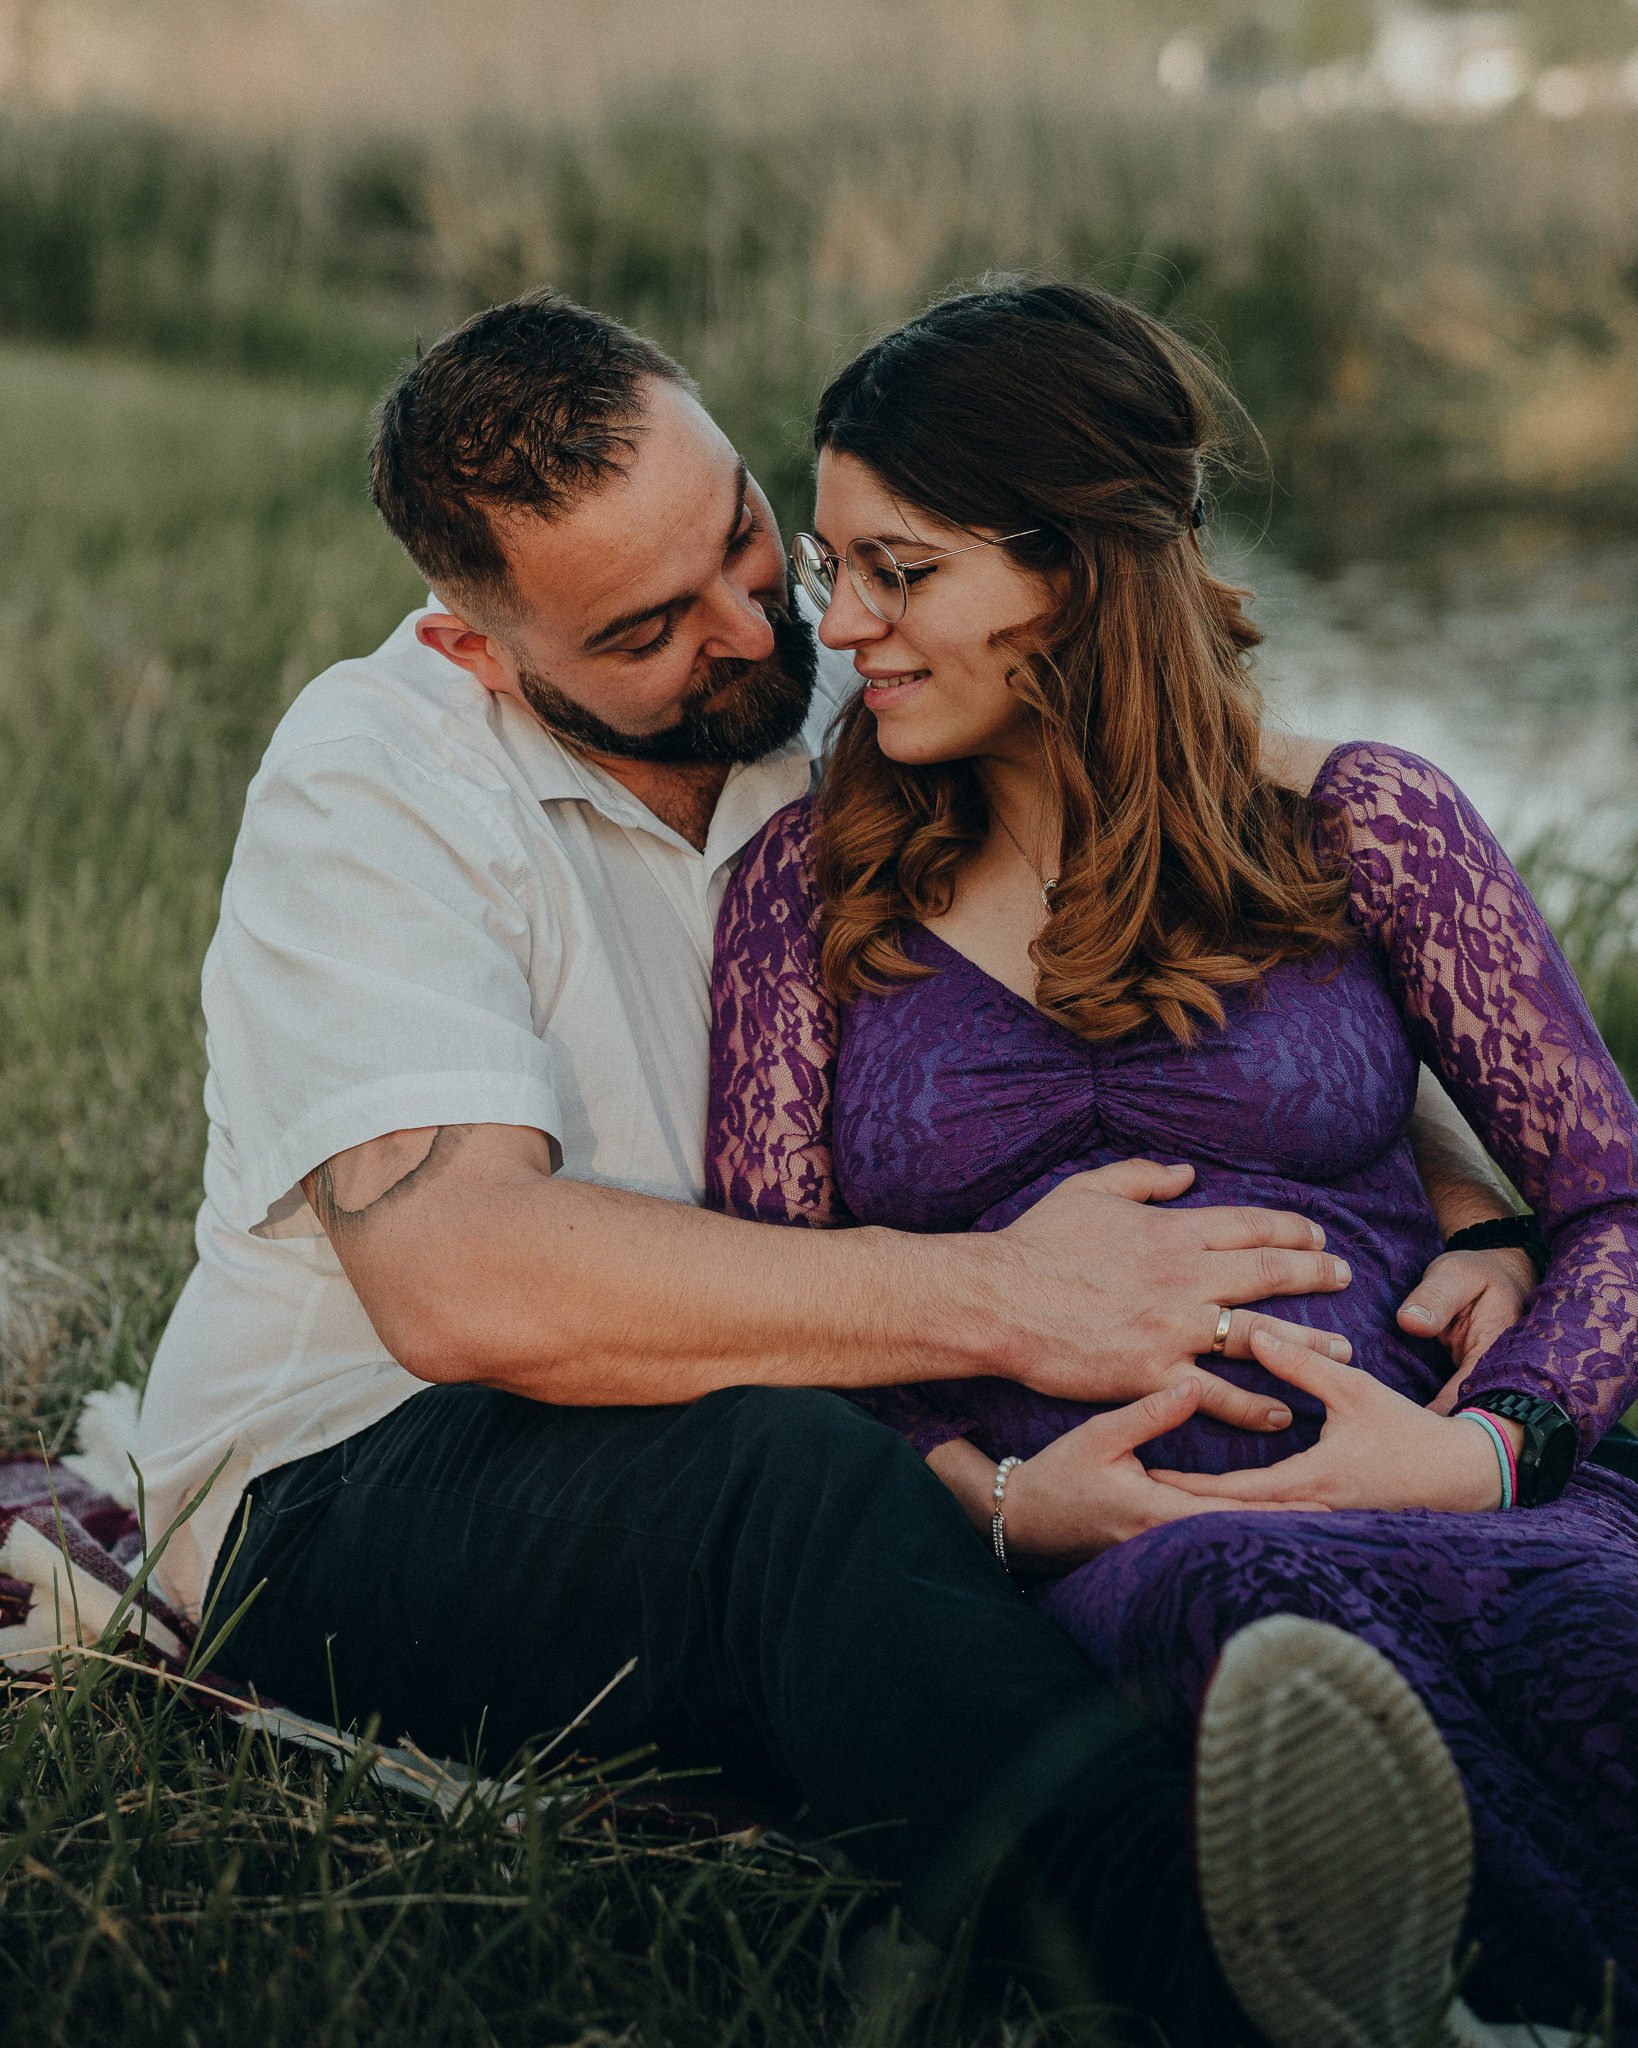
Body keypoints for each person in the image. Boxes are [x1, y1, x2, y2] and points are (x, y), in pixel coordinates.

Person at [135, 290, 1531, 2048]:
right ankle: (1206, 1964)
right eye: (651, 627)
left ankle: (1418, 1856)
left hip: (785, 1423)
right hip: (343, 1481)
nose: (747, 624)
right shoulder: (368, 786)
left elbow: (1219, 902)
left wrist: (1466, 1192)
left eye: (737, 535)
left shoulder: (840, 668)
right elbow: (460, 1278)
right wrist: (1004, 1302)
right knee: (787, 1486)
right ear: (477, 651)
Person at [704, 279, 1638, 2039]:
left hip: (1446, 1490)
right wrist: (990, 1498)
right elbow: (779, 1319)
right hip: (1114, 1557)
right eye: (838, 571)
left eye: (900, 571)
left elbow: (1612, 1206)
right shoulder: (808, 895)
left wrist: (1479, 1452)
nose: (845, 630)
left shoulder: (1364, 826)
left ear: (1073, 570)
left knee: (1598, 1642)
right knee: (1247, 1604)